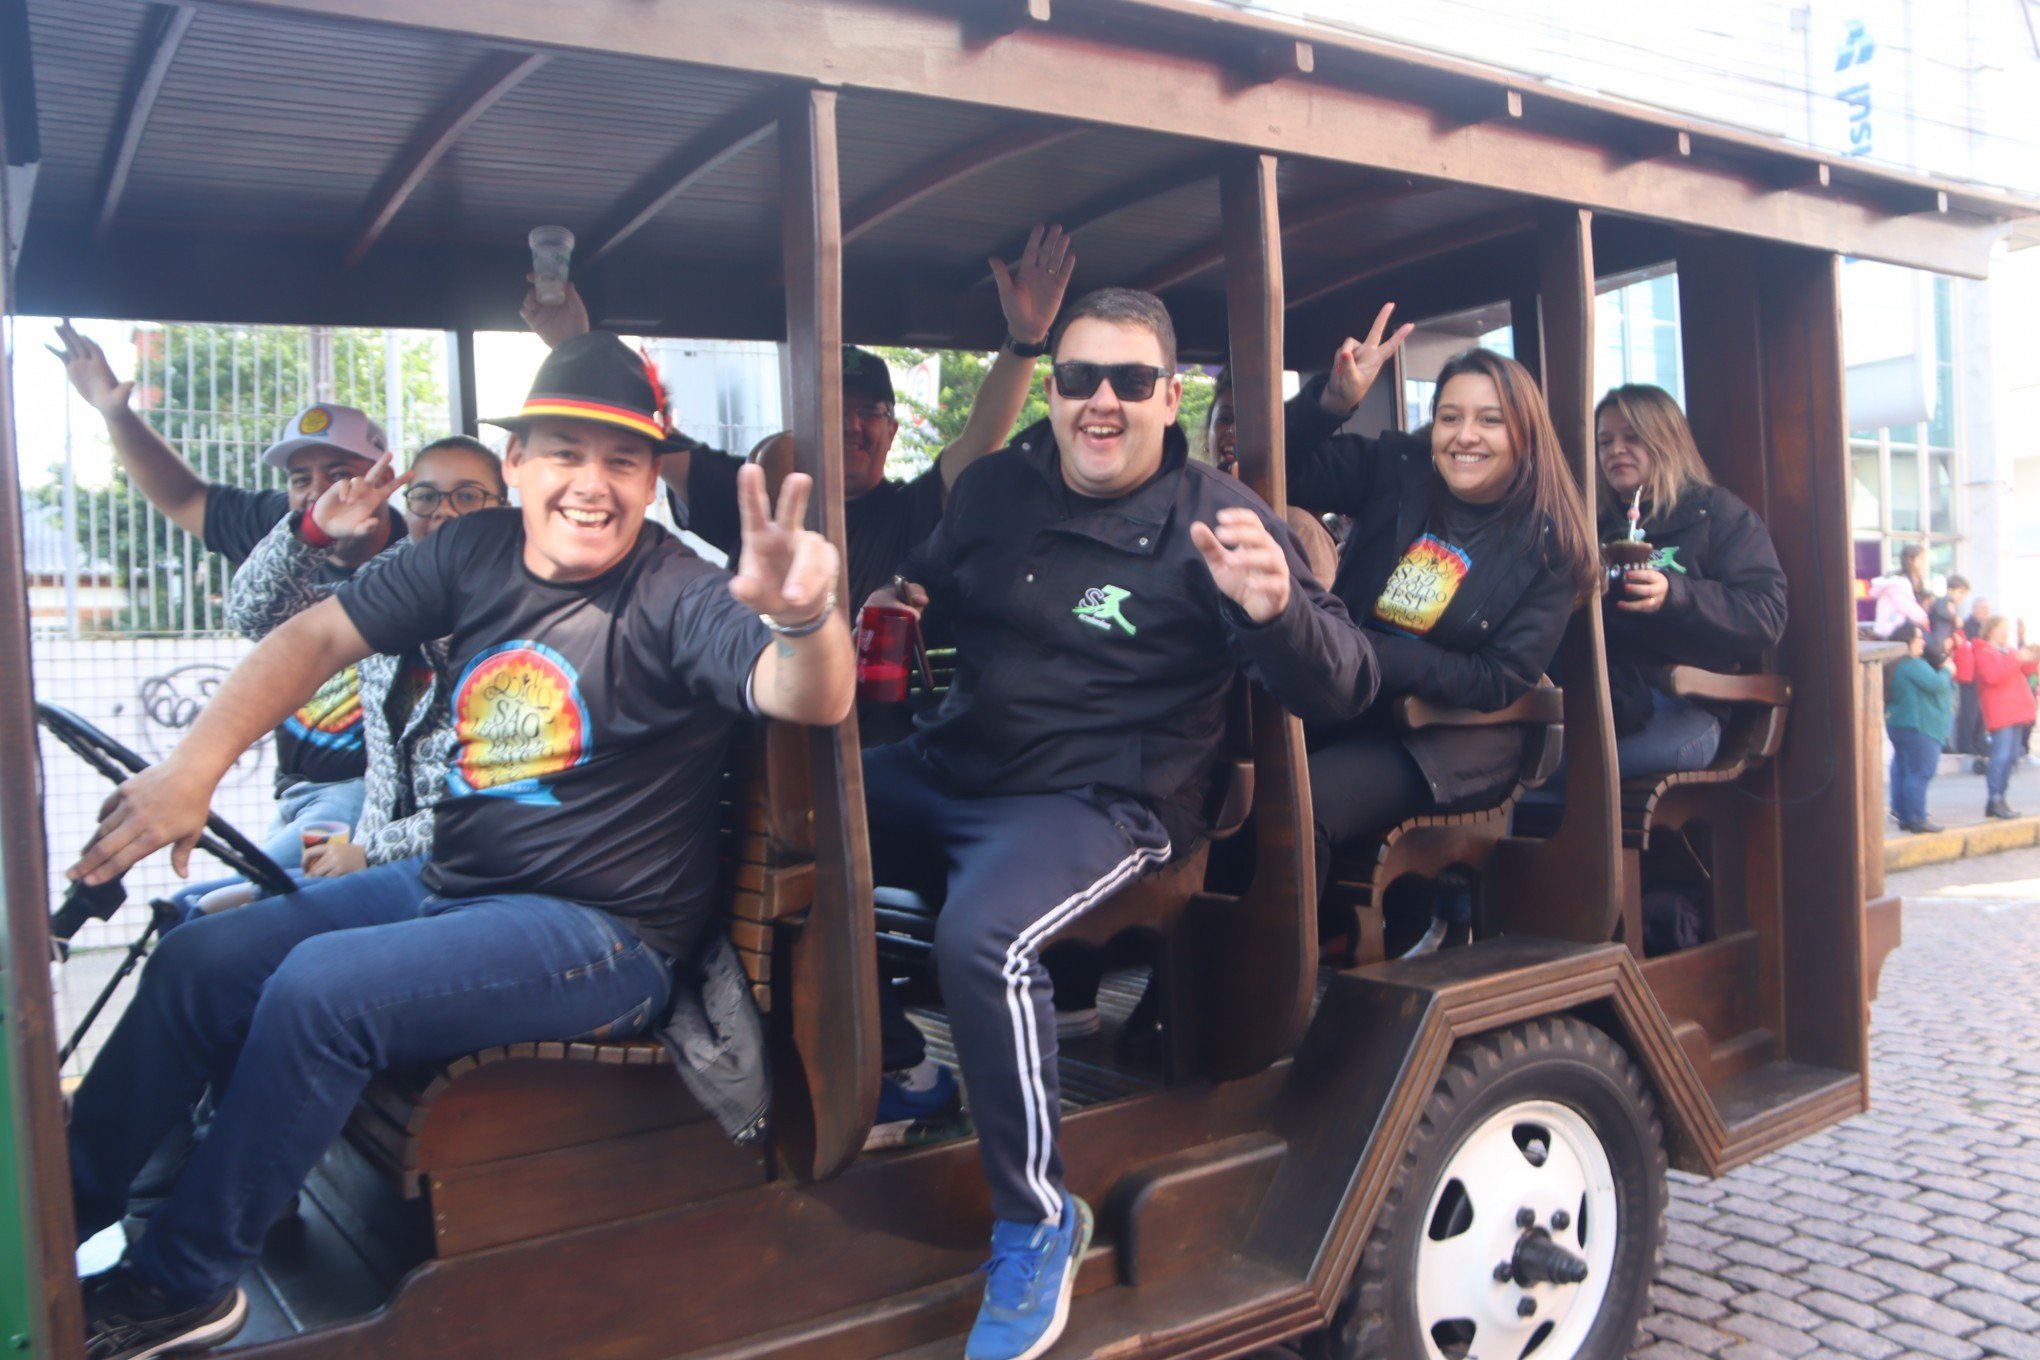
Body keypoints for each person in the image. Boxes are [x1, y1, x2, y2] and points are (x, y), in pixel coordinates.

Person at [61, 333, 851, 1360]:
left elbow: (810, 692)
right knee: (201, 959)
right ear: (516, 465)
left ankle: (186, 1280)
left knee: (319, 988)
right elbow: (312, 638)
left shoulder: (681, 590)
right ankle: (52, 1223)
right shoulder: (470, 551)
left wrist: (807, 619)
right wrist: (192, 770)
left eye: (622, 461)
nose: (591, 484)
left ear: (652, 479)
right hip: (450, 886)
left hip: (601, 933)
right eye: (564, 451)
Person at [861, 288, 1374, 1360]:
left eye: (1129, 381)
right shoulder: (999, 486)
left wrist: (1278, 608)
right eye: (1079, 377)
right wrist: (898, 597)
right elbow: (931, 582)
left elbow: (1345, 687)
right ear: (1052, 391)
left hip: (1105, 803)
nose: (1102, 400)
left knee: (983, 936)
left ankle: (1037, 1216)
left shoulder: (1220, 514)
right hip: (958, 765)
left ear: (1168, 393)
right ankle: (895, 1059)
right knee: (773, 807)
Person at [522, 223, 1077, 610]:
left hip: (873, 741)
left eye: (870, 412)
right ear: (806, 421)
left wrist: (1026, 340)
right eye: (836, 411)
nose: (852, 427)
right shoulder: (759, 499)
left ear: (892, 431)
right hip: (757, 736)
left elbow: (980, 440)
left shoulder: (912, 513)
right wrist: (574, 347)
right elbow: (642, 437)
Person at [1283, 305, 1598, 954]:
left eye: (1489, 420)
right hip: (1342, 703)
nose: (1464, 436)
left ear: (1524, 433)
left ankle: (1279, 998)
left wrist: (1371, 654)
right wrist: (1329, 403)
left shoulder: (1552, 547)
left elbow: (1497, 679)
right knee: (1222, 762)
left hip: (1447, 739)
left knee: (1296, 806)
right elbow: (1281, 469)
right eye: (1450, 417)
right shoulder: (1400, 468)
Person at [50, 322, 400, 868]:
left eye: (340, 472)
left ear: (384, 476)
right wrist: (114, 413)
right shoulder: (279, 526)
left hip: (360, 797)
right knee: (249, 890)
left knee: (251, 897)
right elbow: (186, 497)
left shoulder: (419, 556)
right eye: (300, 477)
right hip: (294, 790)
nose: (318, 491)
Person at [225, 436, 510, 879]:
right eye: (427, 496)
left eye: (468, 496)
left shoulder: (529, 611)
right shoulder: (382, 589)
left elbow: (512, 794)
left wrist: (372, 852)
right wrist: (313, 531)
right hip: (371, 860)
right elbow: (256, 614)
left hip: (468, 867)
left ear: (503, 507)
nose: (444, 511)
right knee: (204, 916)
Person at [1593, 384, 1788, 776]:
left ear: (1666, 441)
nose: (1615, 450)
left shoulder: (1719, 515)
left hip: (1688, 708)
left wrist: (1676, 594)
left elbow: (1766, 615)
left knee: (1570, 770)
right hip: (1606, 704)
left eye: (1632, 437)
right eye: (1604, 441)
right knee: (1526, 761)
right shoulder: (1592, 526)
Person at [1204, 365, 1340, 584]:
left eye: (1248, 421)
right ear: (1206, 438)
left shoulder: (1299, 528)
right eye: (1225, 419)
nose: (1234, 431)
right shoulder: (1185, 511)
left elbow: (1319, 615)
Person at [1952, 616, 2038, 819]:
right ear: (1990, 631)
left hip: (2017, 709)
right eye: (2001, 628)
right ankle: (1994, 798)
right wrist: (2016, 658)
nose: (2004, 632)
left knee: (2012, 757)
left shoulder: (2008, 652)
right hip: (2001, 711)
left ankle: (2001, 797)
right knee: (2000, 756)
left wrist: (2029, 652)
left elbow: (2028, 669)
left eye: (2006, 628)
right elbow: (1993, 676)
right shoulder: (1983, 651)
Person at [1885, 622, 1954, 835]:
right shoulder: (1912, 664)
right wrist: (1947, 671)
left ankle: (1904, 815)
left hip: (1898, 724)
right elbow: (1936, 684)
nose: (1923, 642)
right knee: (1920, 772)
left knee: (1904, 770)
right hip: (1919, 726)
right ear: (1906, 642)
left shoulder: (1893, 664)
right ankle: (1917, 817)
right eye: (1918, 638)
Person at [1955, 594, 1993, 769]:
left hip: (1982, 673)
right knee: (1969, 709)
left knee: (1982, 710)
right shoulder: (1967, 626)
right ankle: (1966, 742)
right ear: (1973, 610)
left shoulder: (1986, 628)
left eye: (1988, 610)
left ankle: (1979, 741)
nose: (1986, 613)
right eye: (1982, 609)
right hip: (1969, 673)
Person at [1868, 543, 1931, 641]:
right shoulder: (1898, 583)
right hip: (1891, 631)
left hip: (1898, 629)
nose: (1923, 563)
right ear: (1910, 560)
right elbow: (1906, 604)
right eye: (1921, 559)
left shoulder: (1912, 581)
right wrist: (1923, 618)